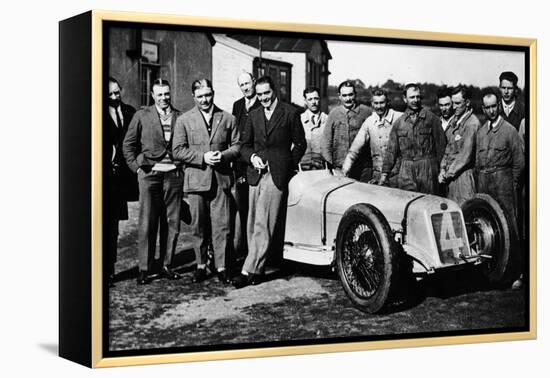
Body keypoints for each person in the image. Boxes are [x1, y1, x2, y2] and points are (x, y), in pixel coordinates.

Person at [233, 76, 306, 288]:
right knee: (252, 222)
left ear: (274, 91)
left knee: (262, 222)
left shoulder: (290, 113)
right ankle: (258, 266)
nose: (264, 97)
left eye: (267, 93)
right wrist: (252, 157)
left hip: (276, 176)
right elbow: (244, 145)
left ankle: (249, 269)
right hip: (256, 174)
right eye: (260, 94)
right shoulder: (253, 115)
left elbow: (300, 144)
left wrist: (285, 165)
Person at [173, 79, 240, 284]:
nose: (205, 99)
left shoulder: (228, 118)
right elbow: (177, 150)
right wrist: (202, 157)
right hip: (196, 181)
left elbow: (237, 146)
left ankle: (221, 267)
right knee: (198, 226)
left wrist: (224, 155)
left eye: (208, 95)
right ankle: (201, 265)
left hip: (221, 180)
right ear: (194, 97)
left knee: (222, 226)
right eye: (200, 96)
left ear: (213, 93)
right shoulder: (184, 120)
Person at [123, 79, 184, 285]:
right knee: (148, 223)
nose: (164, 98)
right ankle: (145, 268)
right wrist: (137, 168)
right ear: (152, 95)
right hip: (150, 176)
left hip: (174, 176)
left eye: (167, 94)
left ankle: (167, 265)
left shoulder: (180, 116)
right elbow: (128, 145)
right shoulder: (142, 115)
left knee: (172, 223)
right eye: (160, 95)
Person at [477, 89, 525, 289]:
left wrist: (511, 184)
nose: (491, 111)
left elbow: (519, 162)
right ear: (483, 109)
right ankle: (493, 273)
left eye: (494, 106)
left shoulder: (509, 130)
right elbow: (477, 162)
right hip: (485, 183)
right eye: (487, 108)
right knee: (489, 228)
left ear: (498, 106)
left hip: (504, 184)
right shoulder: (481, 132)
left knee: (510, 228)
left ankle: (515, 274)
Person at [379, 83, 446, 194]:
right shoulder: (399, 123)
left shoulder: (432, 119)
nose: (415, 100)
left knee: (428, 203)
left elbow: (441, 148)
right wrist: (384, 174)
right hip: (406, 171)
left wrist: (443, 169)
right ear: (405, 99)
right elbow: (391, 151)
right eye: (412, 97)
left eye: (418, 97)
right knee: (407, 203)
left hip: (428, 169)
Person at [105, 77, 137, 287]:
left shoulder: (129, 111)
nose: (116, 97)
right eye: (111, 94)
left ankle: (109, 271)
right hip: (103, 178)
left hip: (120, 180)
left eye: (118, 92)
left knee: (113, 227)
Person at [342, 88, 402, 183]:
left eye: (382, 103)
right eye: (376, 103)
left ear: (388, 103)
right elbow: (354, 149)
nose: (379, 106)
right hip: (377, 175)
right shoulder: (369, 122)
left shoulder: (399, 118)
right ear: (372, 104)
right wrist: (345, 170)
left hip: (397, 175)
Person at [231, 72, 262, 258]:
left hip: (256, 161)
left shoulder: (263, 104)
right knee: (242, 208)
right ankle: (242, 250)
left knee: (256, 209)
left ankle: (256, 250)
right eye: (241, 84)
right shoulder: (238, 105)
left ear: (254, 82)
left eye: (247, 83)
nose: (245, 87)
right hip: (240, 164)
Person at [321, 80, 372, 180]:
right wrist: (331, 165)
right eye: (344, 96)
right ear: (339, 96)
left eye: (350, 95)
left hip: (362, 168)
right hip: (339, 168)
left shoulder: (366, 112)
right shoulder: (334, 114)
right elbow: (326, 142)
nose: (348, 99)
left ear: (355, 95)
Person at [438, 86, 481, 204]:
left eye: (458, 103)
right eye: (453, 103)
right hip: (451, 178)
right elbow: (449, 149)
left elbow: (465, 156)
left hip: (464, 177)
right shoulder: (454, 122)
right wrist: (442, 169)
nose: (454, 107)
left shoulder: (472, 123)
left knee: (465, 212)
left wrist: (447, 174)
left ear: (467, 103)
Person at [300, 86, 328, 169]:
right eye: (310, 99)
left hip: (322, 167)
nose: (313, 102)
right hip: (303, 166)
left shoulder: (327, 119)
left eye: (316, 98)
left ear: (320, 99)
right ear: (305, 101)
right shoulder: (299, 120)